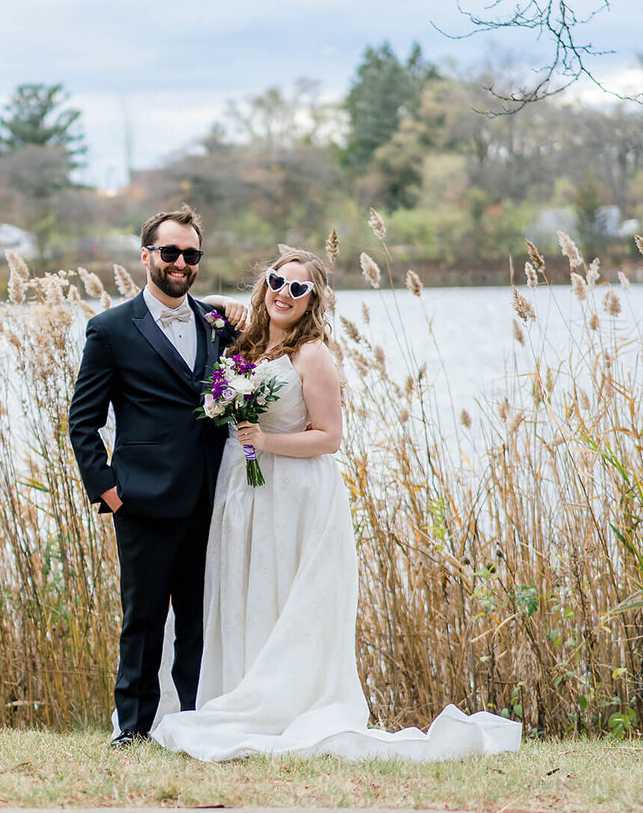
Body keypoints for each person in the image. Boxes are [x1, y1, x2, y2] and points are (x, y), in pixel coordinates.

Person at [152, 249, 522, 761]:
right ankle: (233, 688)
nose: (284, 293)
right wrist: (224, 303)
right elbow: (198, 305)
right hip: (242, 489)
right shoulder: (246, 343)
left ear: (312, 301)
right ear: (264, 285)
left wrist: (265, 439)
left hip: (294, 493)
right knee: (242, 587)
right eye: (277, 281)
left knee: (284, 593)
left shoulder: (313, 354)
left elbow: (329, 438)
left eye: (298, 289)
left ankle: (278, 702)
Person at [68, 205, 244, 746]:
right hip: (141, 501)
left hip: (208, 498)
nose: (181, 263)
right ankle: (133, 728)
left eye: (191, 255)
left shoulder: (217, 324)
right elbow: (84, 422)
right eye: (170, 252)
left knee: (198, 620)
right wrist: (110, 492)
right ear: (147, 256)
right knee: (142, 620)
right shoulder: (111, 329)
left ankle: (194, 721)